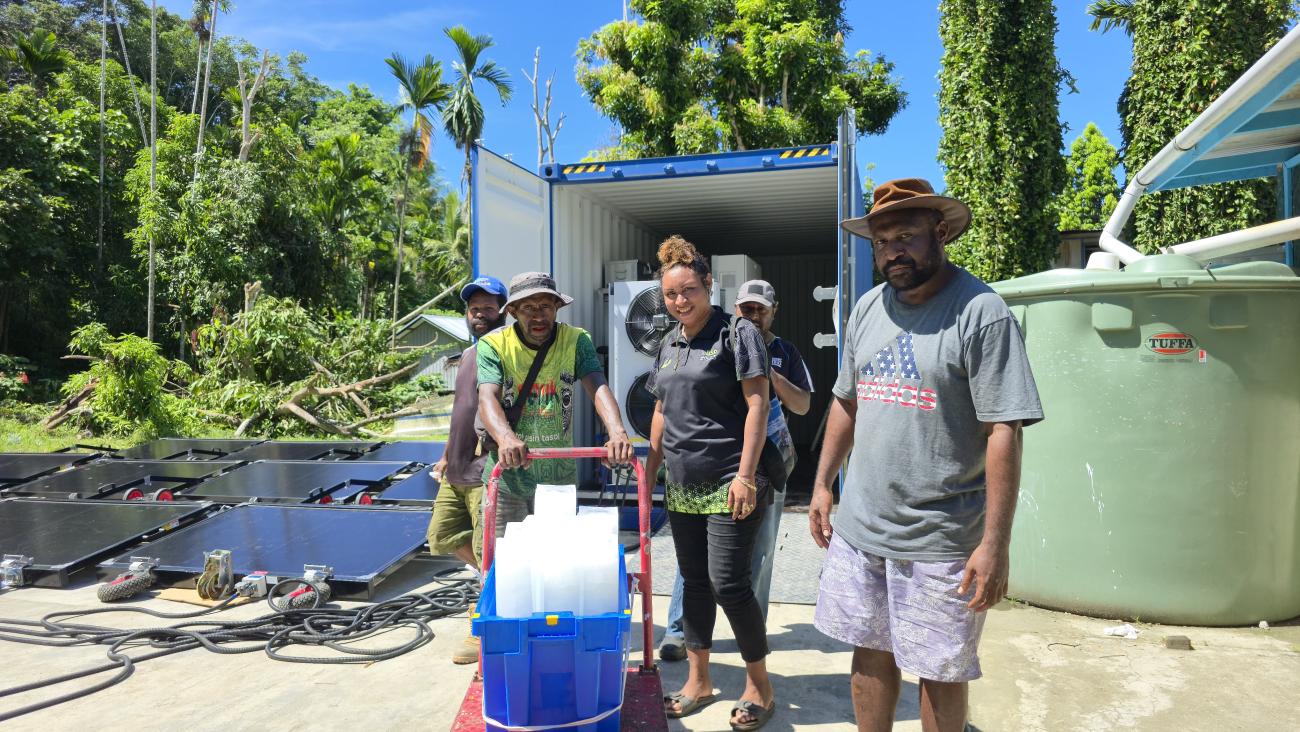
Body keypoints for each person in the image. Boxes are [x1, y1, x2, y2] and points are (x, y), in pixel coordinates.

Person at [809, 179, 1044, 732]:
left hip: (941, 539)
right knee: (870, 651)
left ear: (939, 234)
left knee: (940, 669)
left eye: (906, 237)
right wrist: (823, 484)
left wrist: (995, 544)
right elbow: (847, 399)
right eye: (882, 241)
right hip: (864, 527)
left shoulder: (981, 313)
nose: (893, 251)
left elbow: (1003, 431)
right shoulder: (868, 307)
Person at [645, 237, 776, 731]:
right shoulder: (669, 342)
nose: (680, 301)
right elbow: (661, 409)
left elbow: (758, 404)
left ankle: (759, 685)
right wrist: (651, 469)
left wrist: (745, 475)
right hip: (682, 484)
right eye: (672, 295)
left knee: (730, 585)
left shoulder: (736, 333)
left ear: (708, 287)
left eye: (689, 291)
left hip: (729, 480)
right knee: (696, 583)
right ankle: (698, 679)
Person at [659, 278, 814, 661]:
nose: (753, 314)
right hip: (702, 473)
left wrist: (766, 375)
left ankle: (752, 633)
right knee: (695, 565)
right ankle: (679, 631)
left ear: (774, 310)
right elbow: (668, 404)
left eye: (761, 308)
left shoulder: (784, 352)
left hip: (764, 466)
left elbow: (804, 406)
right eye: (747, 307)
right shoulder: (718, 339)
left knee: (756, 557)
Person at [477, 271, 634, 533]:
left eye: (546, 306)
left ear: (557, 307)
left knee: (557, 563)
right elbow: (487, 397)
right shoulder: (493, 344)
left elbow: (597, 386)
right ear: (513, 311)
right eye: (528, 307)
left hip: (558, 481)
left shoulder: (575, 340)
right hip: (507, 478)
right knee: (502, 565)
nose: (538, 315)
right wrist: (505, 438)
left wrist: (617, 432)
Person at [426, 275, 508, 665]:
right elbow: (460, 414)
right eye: (474, 307)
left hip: (483, 469)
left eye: (488, 307)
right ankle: (506, 585)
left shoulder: (503, 352)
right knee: (441, 536)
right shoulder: (469, 353)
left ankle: (484, 628)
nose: (480, 313)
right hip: (456, 466)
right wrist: (445, 456)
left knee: (485, 551)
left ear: (502, 311)